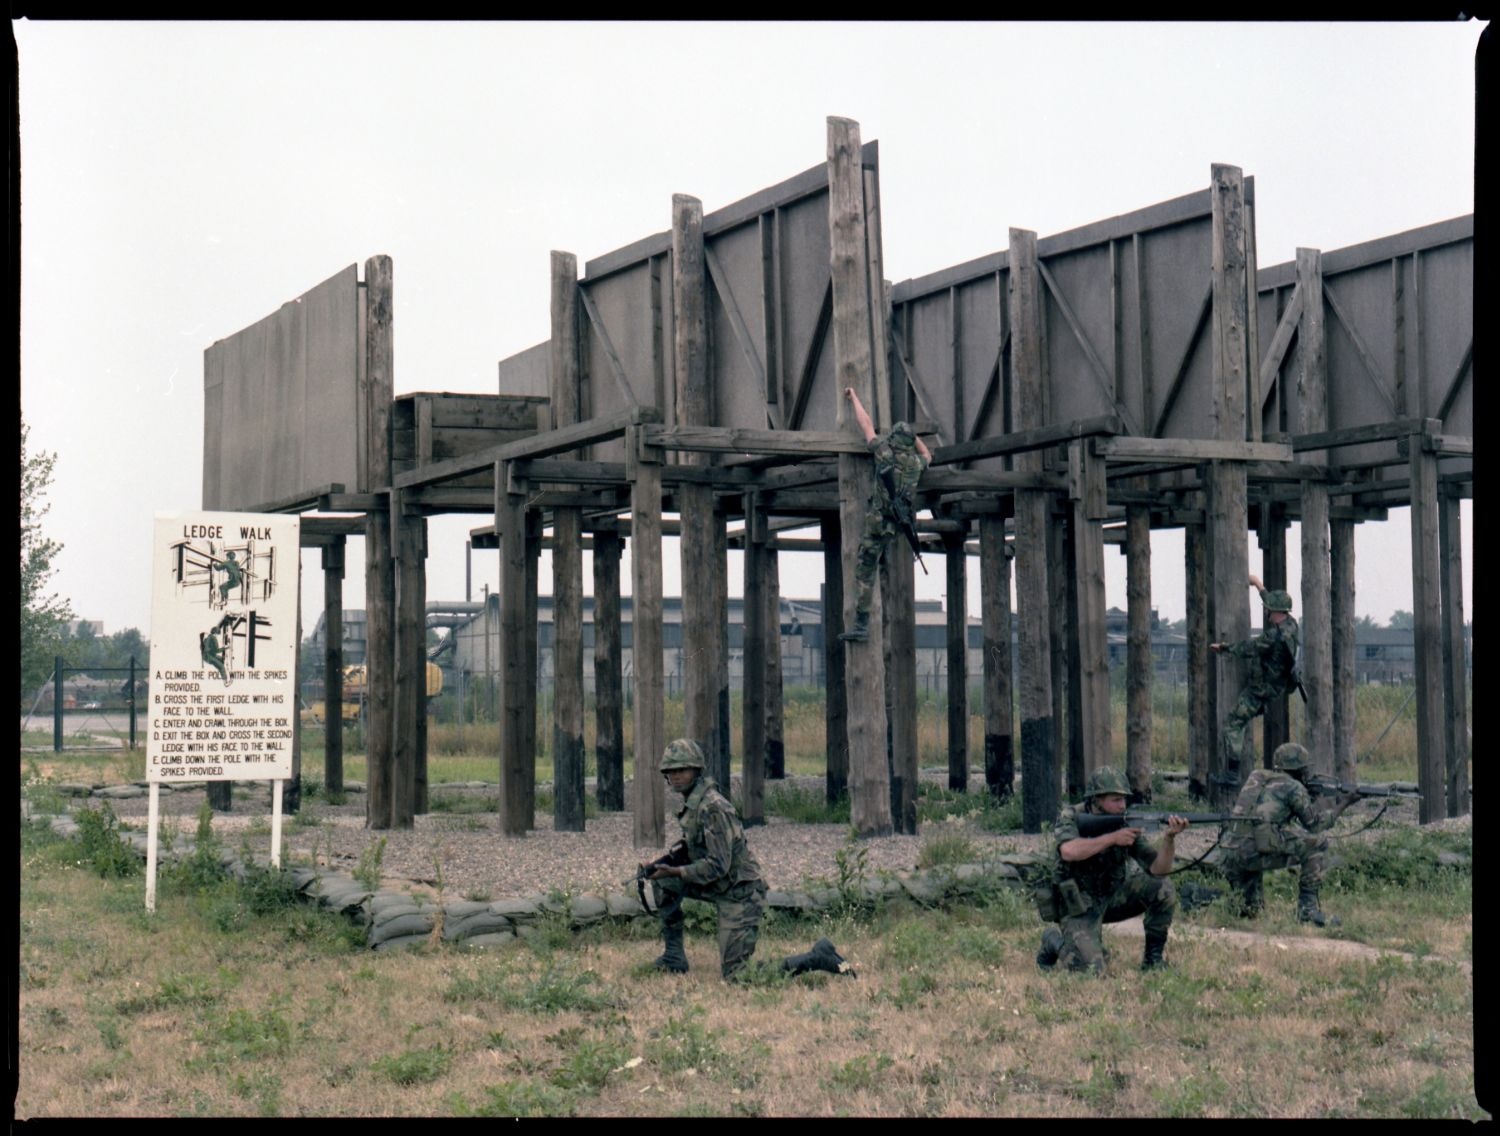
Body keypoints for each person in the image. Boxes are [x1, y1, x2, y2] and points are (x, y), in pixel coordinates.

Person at [641, 739, 851, 981]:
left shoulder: (713, 807)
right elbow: (696, 849)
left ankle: (816, 957)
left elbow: (718, 865)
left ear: (696, 771)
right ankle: (674, 956)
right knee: (662, 882)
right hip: (721, 883)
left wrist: (676, 871)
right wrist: (664, 863)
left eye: (682, 770)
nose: (676, 776)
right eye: (671, 771)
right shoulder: (695, 804)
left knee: (737, 976)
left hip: (740, 892)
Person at [1033, 767, 1188, 973]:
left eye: (1124, 799)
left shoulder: (1123, 821)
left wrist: (1169, 839)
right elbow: (1069, 851)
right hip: (1079, 905)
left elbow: (1158, 870)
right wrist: (1113, 839)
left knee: (1163, 888)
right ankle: (1053, 941)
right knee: (1090, 970)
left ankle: (1153, 960)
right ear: (1096, 800)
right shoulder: (1071, 816)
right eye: (1116, 800)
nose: (1122, 805)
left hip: (1112, 896)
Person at [1218, 742, 1359, 928]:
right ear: (1298, 769)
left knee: (1249, 910)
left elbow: (1270, 812)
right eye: (1303, 770)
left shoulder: (1257, 776)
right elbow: (1315, 825)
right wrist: (1345, 803)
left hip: (1230, 851)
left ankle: (1198, 896)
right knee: (1318, 843)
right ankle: (1307, 910)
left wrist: (1307, 798)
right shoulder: (1293, 787)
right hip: (1253, 852)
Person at [838, 386, 933, 643]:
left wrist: (854, 396)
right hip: (896, 526)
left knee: (864, 572)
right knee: (879, 566)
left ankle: (860, 626)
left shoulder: (884, 453)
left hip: (877, 523)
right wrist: (914, 439)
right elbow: (927, 454)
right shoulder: (915, 465)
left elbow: (866, 424)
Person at [1210, 575, 1300, 772]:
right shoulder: (1291, 625)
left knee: (1233, 723)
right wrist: (1259, 584)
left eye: (1268, 608)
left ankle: (1233, 773)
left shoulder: (1273, 636)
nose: (1266, 610)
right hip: (1276, 687)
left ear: (1275, 611)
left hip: (1261, 691)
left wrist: (1224, 648)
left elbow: (1249, 647)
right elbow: (1272, 600)